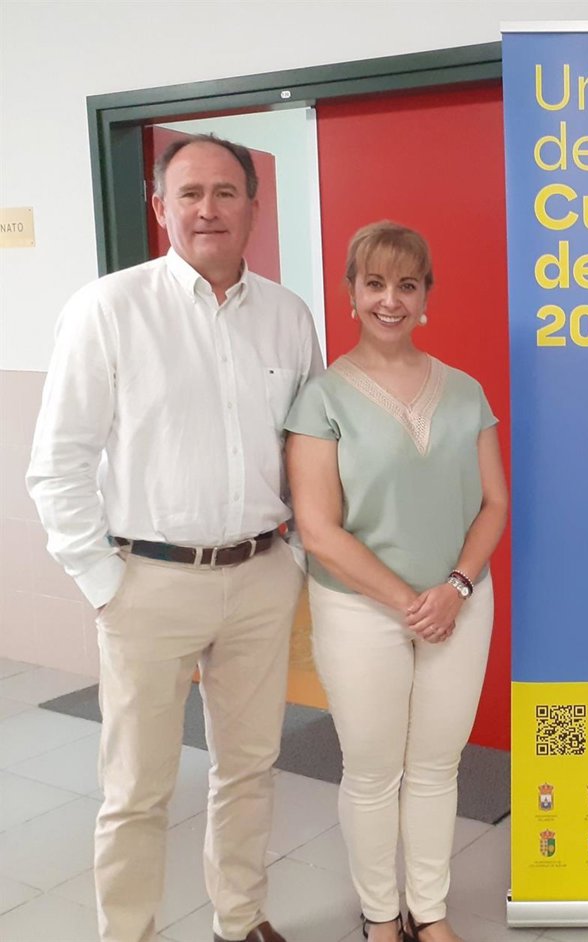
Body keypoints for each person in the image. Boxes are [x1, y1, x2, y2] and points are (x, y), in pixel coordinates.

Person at [26, 133, 321, 942]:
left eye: (226, 192)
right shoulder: (108, 309)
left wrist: (295, 557)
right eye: (189, 193)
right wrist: (104, 583)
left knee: (250, 767)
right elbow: (57, 463)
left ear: (254, 206)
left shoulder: (289, 318)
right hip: (146, 584)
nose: (207, 209)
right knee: (137, 788)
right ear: (161, 208)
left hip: (260, 575)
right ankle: (130, 932)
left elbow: (309, 451)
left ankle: (240, 917)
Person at [285, 221, 508, 942]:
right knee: (373, 771)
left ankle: (429, 912)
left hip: (459, 604)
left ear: (425, 298)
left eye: (406, 286)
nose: (390, 300)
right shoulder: (321, 399)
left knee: (438, 766)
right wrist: (412, 603)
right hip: (361, 610)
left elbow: (494, 503)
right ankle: (381, 916)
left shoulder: (465, 392)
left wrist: (455, 589)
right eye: (374, 283)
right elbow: (318, 527)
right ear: (350, 293)